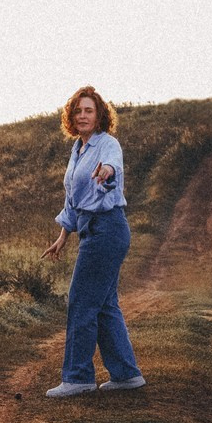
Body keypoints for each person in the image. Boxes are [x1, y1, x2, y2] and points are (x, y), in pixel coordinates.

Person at [44, 85, 144, 398]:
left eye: (89, 110)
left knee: (82, 302)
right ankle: (126, 375)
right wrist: (63, 236)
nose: (83, 115)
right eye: (78, 111)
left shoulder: (106, 144)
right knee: (103, 305)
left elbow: (114, 166)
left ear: (99, 115)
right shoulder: (78, 149)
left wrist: (107, 172)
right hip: (92, 228)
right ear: (71, 117)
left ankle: (78, 378)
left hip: (107, 228)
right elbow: (73, 199)